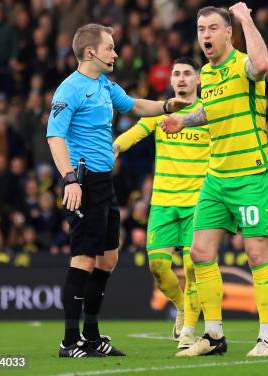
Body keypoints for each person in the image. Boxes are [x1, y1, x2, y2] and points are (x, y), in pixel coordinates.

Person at [47, 23, 191, 358]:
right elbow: (54, 136)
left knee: (108, 258)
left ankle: (93, 336)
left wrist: (170, 106)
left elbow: (136, 107)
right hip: (82, 182)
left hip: (103, 182)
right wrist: (69, 178)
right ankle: (69, 342)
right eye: (110, 47)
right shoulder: (68, 90)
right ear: (90, 52)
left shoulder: (104, 85)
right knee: (83, 257)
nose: (115, 53)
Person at [162, 4, 268, 357]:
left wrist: (246, 19)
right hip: (216, 176)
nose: (206, 35)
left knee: (256, 256)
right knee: (199, 252)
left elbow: (262, 66)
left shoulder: (242, 64)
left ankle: (267, 339)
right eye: (201, 29)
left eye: (213, 28)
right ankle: (213, 336)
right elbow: (210, 112)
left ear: (228, 33)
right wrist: (186, 120)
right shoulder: (208, 76)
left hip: (251, 174)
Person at [113, 56, 208, 349]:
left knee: (193, 268)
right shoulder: (161, 111)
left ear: (198, 80)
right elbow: (134, 133)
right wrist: (114, 148)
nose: (180, 78)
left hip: (197, 203)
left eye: (186, 74)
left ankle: (189, 332)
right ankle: (180, 306)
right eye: (176, 74)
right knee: (157, 266)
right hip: (164, 202)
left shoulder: (208, 113)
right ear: (170, 81)